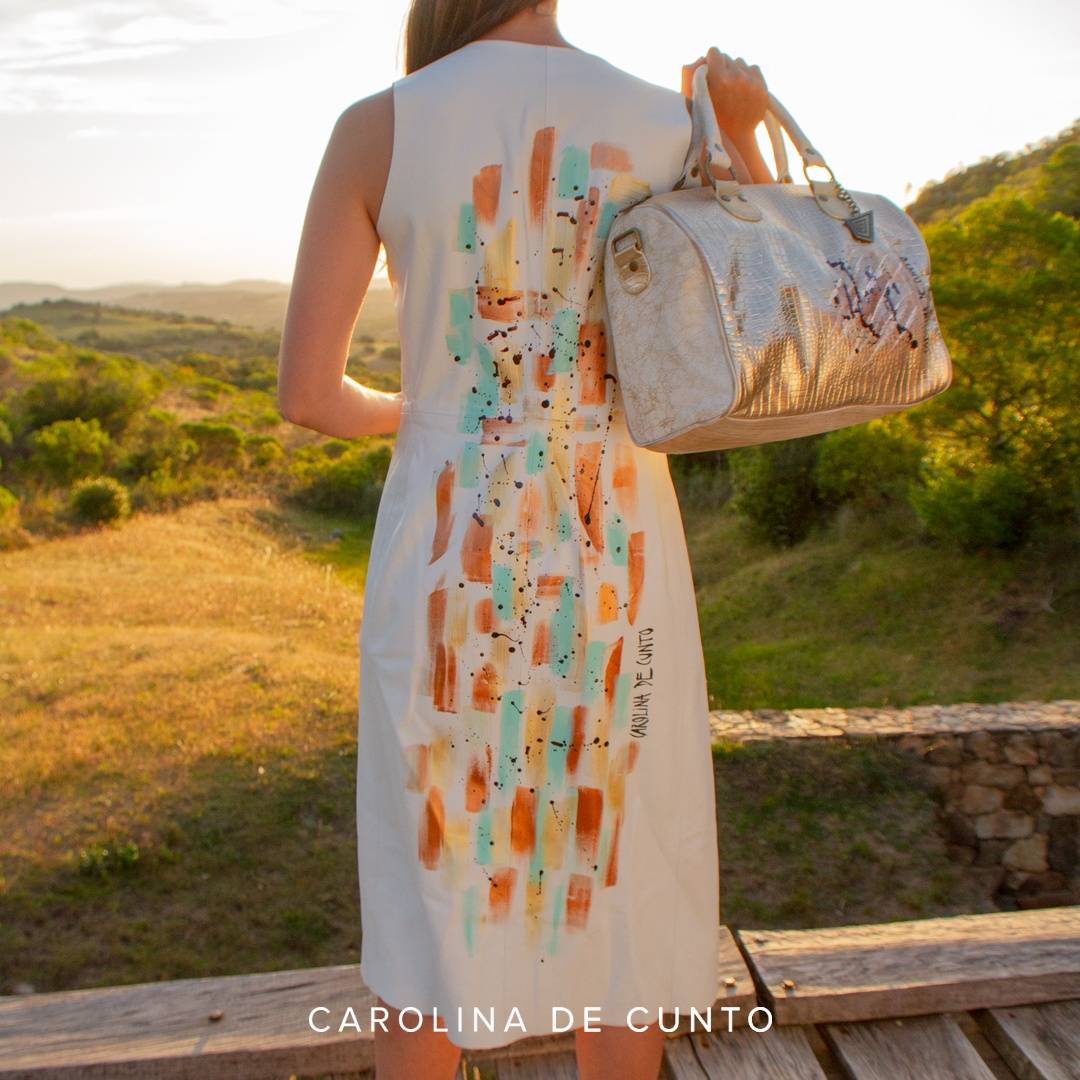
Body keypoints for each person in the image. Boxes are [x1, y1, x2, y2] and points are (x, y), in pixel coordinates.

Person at [277, 3, 774, 1077]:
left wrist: (428, 412)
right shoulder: (669, 124)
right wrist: (737, 133)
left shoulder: (379, 125)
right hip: (617, 546)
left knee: (434, 874)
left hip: (449, 548)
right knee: (620, 866)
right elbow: (758, 319)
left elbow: (309, 395)